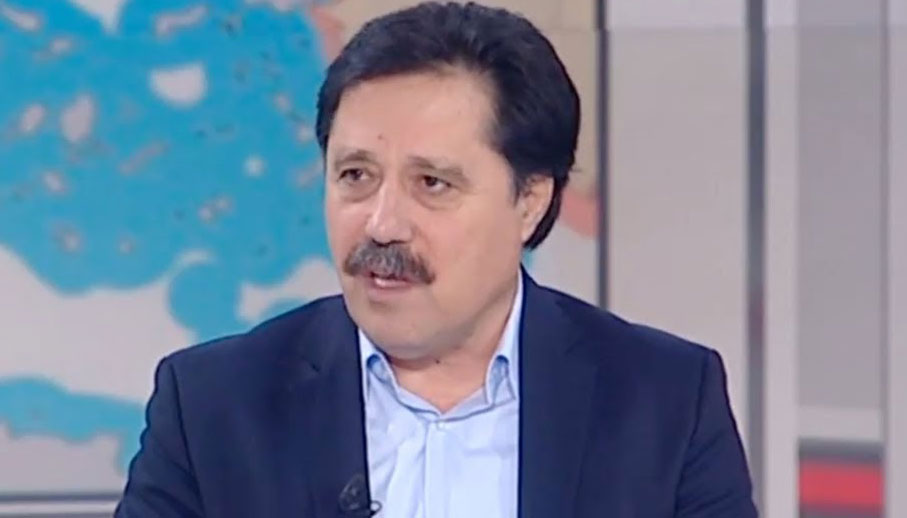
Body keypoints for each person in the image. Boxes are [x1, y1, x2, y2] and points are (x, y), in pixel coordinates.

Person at [116, 2, 758, 517]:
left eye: (432, 184)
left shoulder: (664, 402)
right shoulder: (213, 408)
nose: (382, 224)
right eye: (356, 175)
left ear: (530, 201)